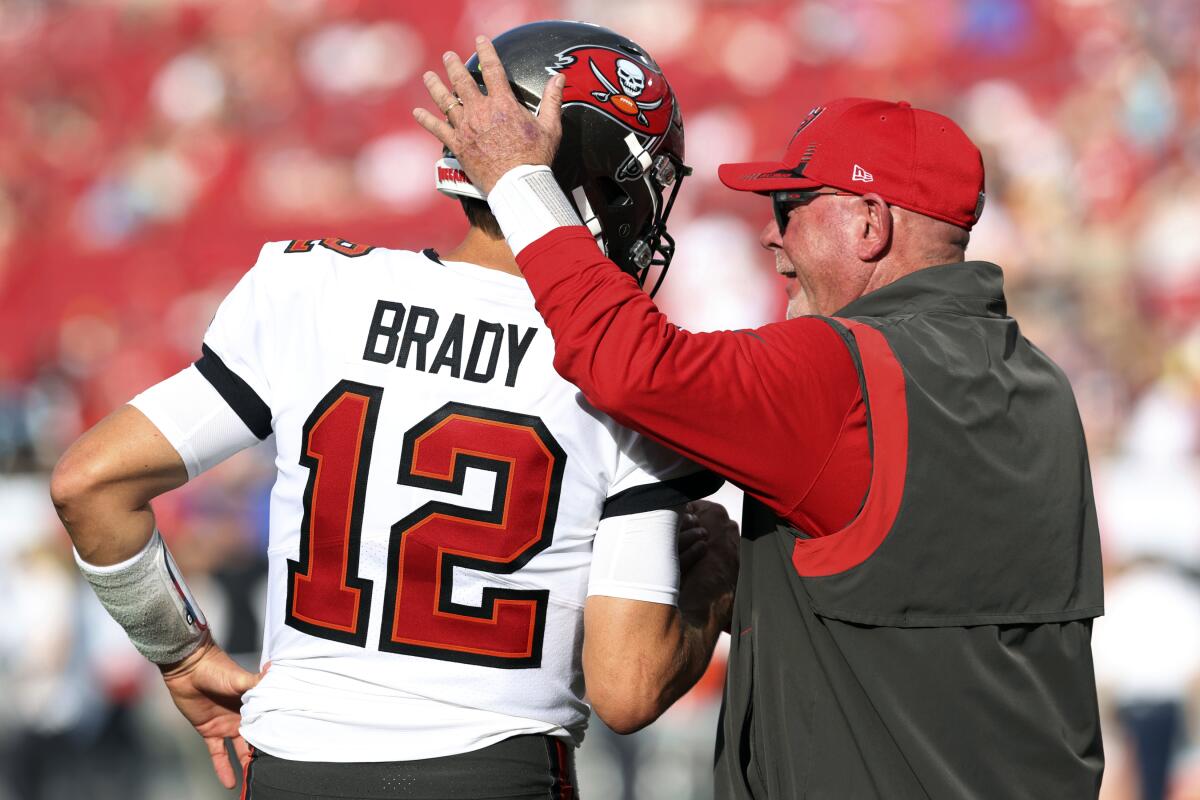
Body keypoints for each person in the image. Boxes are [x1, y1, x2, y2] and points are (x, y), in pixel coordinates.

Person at [49, 20, 738, 800]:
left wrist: (178, 653)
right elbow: (630, 686)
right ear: (592, 177)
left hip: (289, 772)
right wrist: (717, 583)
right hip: (494, 772)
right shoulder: (629, 362)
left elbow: (89, 483)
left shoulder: (310, 289)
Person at [414, 40, 1106, 798]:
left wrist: (521, 183)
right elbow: (938, 606)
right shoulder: (1037, 384)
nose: (772, 238)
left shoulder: (842, 369)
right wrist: (771, 582)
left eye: (790, 208)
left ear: (869, 224)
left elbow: (625, 362)